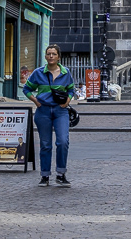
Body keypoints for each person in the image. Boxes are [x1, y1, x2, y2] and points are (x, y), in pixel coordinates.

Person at [24, 44, 75, 187]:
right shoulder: (38, 73)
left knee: (63, 142)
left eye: (53, 54)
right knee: (45, 145)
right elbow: (27, 89)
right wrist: (35, 101)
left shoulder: (66, 73)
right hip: (43, 111)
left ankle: (61, 174)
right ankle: (45, 176)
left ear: (59, 56)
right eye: (48, 54)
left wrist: (67, 102)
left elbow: (71, 89)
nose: (51, 56)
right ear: (45, 56)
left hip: (60, 111)